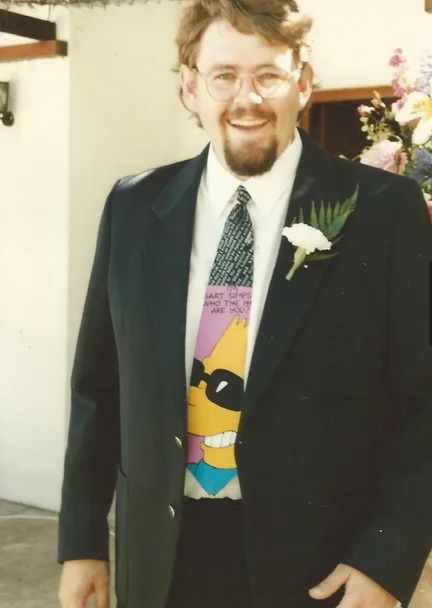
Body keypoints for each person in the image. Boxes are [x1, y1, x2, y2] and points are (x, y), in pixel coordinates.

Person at [58, 1, 432, 607]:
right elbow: (98, 389)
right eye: (224, 76)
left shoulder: (384, 211)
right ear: (190, 86)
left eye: (268, 75)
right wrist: (82, 543)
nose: (247, 99)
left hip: (319, 570)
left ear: (303, 82)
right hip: (160, 560)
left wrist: (386, 561)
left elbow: (422, 401)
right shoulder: (132, 207)